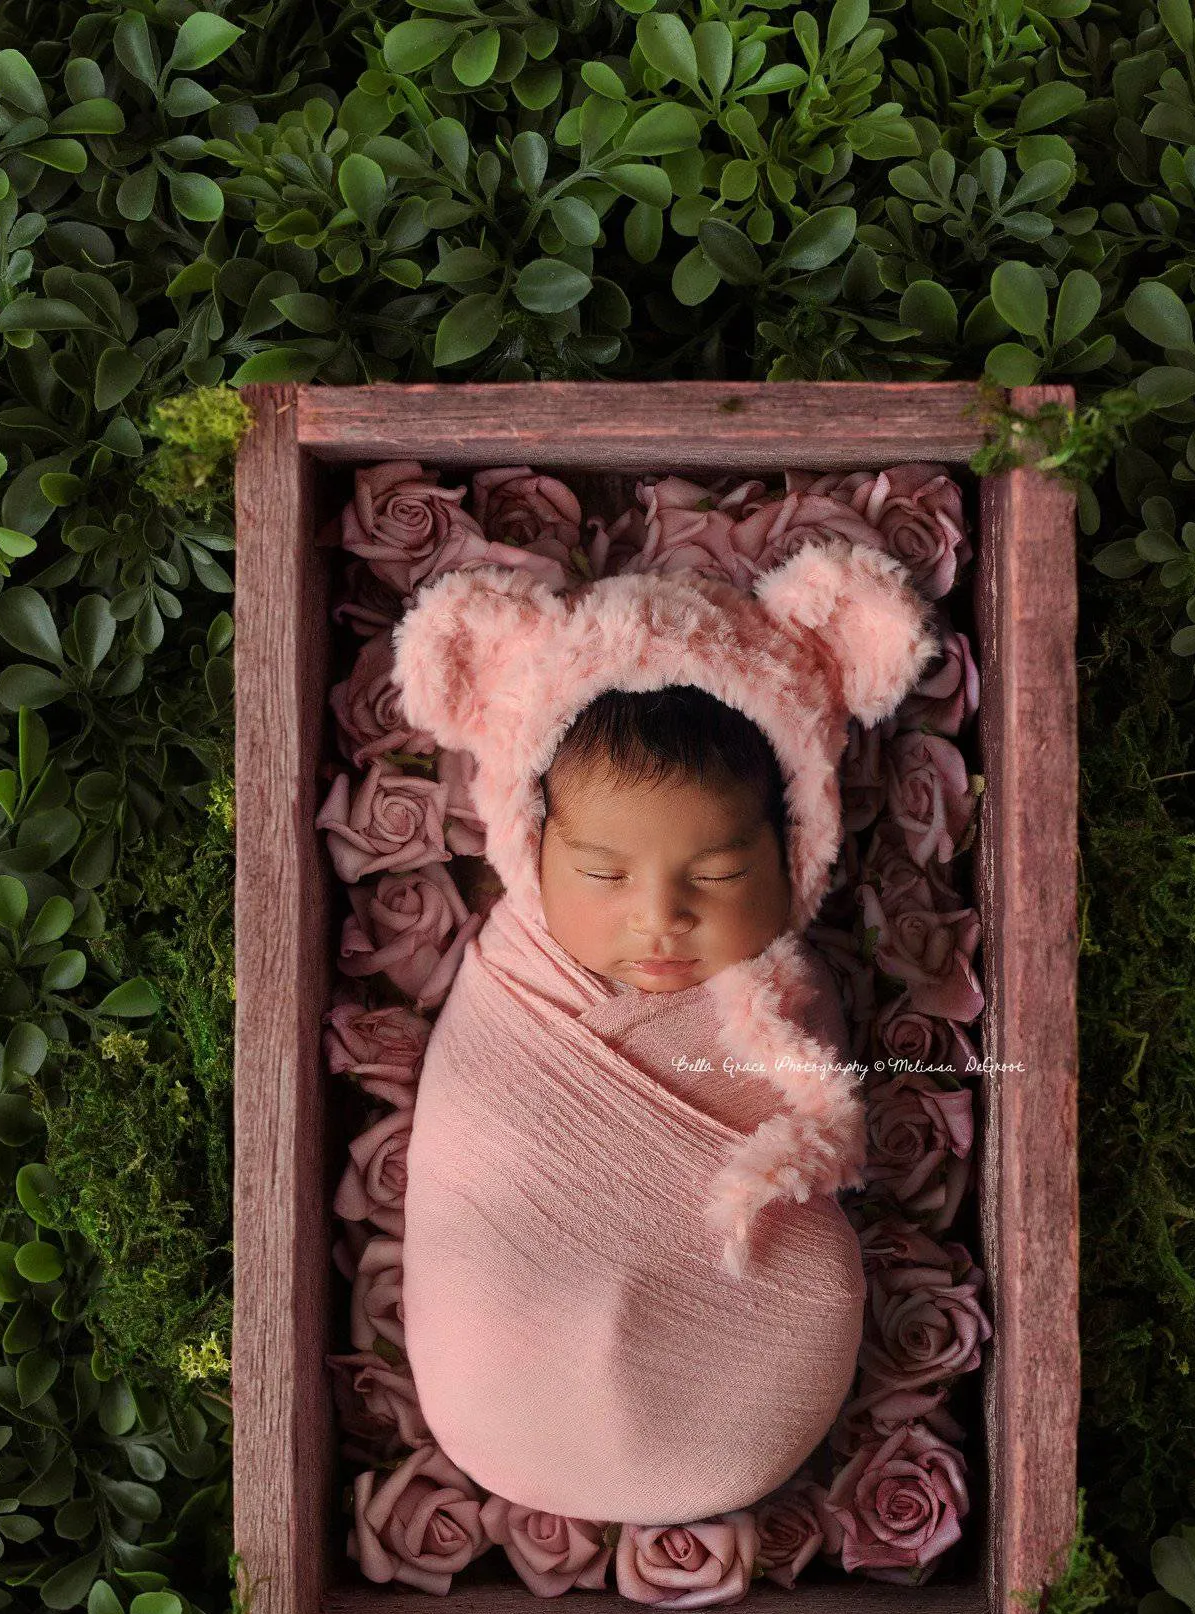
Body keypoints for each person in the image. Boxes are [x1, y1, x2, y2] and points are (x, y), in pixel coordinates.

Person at [388, 539, 939, 1526]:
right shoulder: (513, 988)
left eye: (719, 874)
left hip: (742, 1382)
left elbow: (799, 1118)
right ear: (527, 843)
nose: (660, 919)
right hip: (505, 1365)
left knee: (794, 1269)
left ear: (796, 850)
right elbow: (486, 1143)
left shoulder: (779, 999)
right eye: (604, 875)